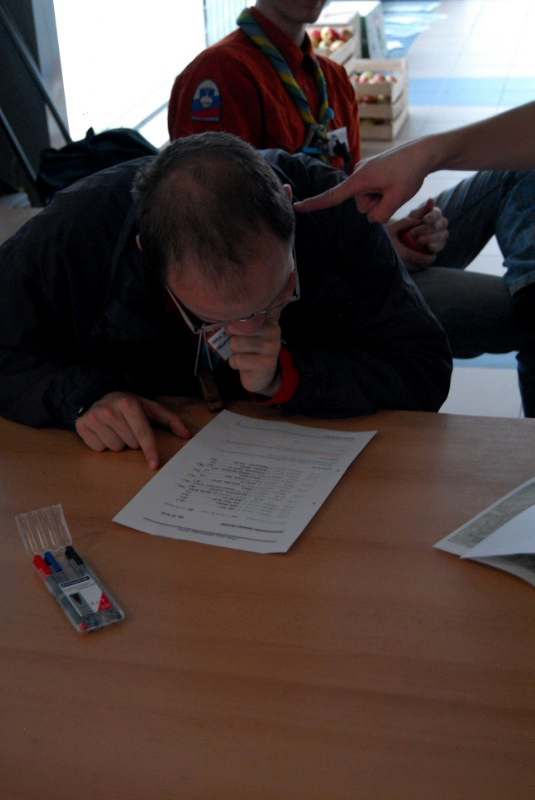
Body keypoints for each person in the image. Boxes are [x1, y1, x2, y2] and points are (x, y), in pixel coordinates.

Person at [0, 132, 452, 468]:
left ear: (288, 206)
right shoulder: (75, 235)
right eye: (208, 318)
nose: (248, 333)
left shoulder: (335, 212)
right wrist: (81, 396)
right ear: (148, 256)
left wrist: (290, 375)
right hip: (142, 470)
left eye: (279, 295)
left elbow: (422, 366)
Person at [167, 6, 535, 415]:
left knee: (517, 173)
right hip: (317, 297)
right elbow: (215, 255)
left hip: (364, 257)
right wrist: (375, 249)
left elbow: (349, 213)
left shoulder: (331, 77)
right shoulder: (222, 75)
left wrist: (390, 230)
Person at [294, 102, 535, 222]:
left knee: (520, 173)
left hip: (367, 242)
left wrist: (399, 230)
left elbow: (362, 207)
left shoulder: (333, 75)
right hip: (339, 267)